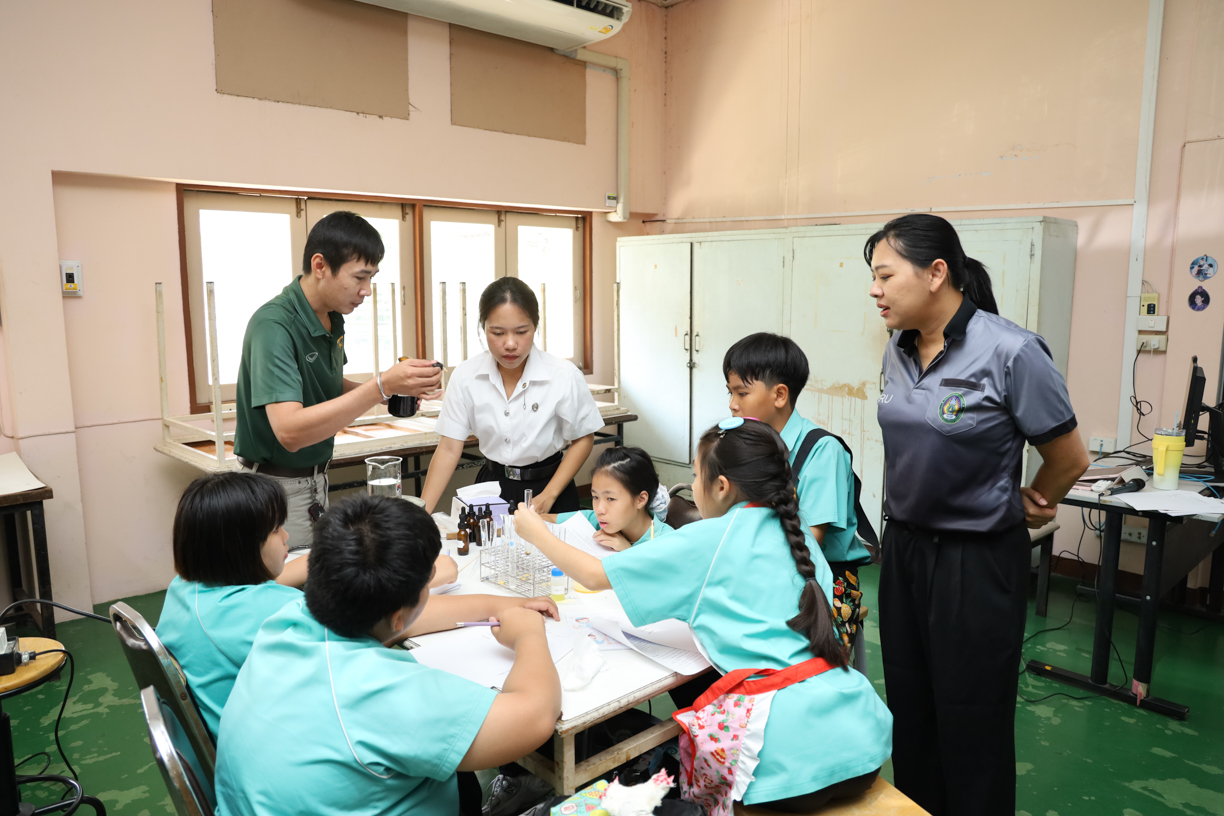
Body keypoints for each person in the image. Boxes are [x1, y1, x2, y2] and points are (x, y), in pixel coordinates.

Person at [513, 419, 892, 812]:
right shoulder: (799, 535)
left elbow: (594, 575)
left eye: (695, 476)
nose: (693, 486)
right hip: (862, 737)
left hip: (782, 758)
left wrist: (535, 530)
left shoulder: (711, 538)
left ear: (721, 486)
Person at [865, 213, 1088, 816]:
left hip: (976, 560)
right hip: (903, 550)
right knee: (911, 706)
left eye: (885, 276)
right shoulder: (897, 348)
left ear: (936, 273)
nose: (874, 290)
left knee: (972, 716)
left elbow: (1069, 457)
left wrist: (1031, 499)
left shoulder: (1012, 351)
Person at [214, 495, 562, 816]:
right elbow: (536, 716)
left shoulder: (285, 622)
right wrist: (528, 634)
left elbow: (407, 619)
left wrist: (503, 605)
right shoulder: (382, 691)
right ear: (397, 616)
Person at [233, 211, 444, 549]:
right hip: (275, 489)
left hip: (316, 481)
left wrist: (388, 394)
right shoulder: (274, 326)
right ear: (320, 266)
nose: (367, 291)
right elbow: (289, 432)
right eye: (360, 277)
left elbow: (327, 383)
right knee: (293, 580)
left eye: (372, 278)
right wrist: (380, 385)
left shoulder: (331, 317)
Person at [723, 332, 874, 670]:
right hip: (766, 570)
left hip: (822, 581)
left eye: (741, 393)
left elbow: (810, 540)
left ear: (780, 395)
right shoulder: (749, 445)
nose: (732, 404)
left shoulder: (822, 451)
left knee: (794, 671)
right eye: (730, 392)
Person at [420, 278, 605, 515]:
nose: (510, 344)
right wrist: (420, 515)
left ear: (535, 326)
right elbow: (448, 449)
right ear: (483, 327)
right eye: (497, 333)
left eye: (521, 332)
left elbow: (583, 438)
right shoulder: (466, 376)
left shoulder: (563, 375)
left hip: (550, 487)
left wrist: (549, 494)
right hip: (491, 488)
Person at [156, 471, 305, 736]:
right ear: (241, 546)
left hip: (214, 742)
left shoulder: (182, 587)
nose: (286, 536)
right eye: (275, 529)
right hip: (267, 745)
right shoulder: (283, 612)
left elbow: (258, 592)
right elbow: (363, 639)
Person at [547, 446, 671, 551]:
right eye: (595, 497)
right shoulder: (594, 520)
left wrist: (627, 551)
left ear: (641, 500)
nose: (599, 510)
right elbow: (544, 519)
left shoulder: (668, 542)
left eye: (610, 499)